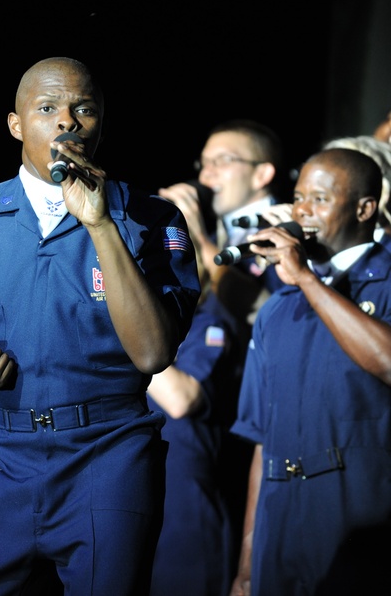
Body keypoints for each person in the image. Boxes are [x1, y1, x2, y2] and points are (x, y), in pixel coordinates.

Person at [0, 56, 201, 594]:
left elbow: (153, 354)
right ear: (16, 124)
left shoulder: (151, 217)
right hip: (4, 453)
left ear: (101, 123)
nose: (67, 121)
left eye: (85, 109)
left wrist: (99, 224)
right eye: (47, 108)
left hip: (108, 451)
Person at [228, 147, 391, 596]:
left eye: (319, 199)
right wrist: (247, 561)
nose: (302, 212)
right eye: (298, 198)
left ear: (364, 209)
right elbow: (262, 439)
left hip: (360, 519)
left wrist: (306, 279)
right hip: (281, 518)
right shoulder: (278, 308)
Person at [147, 182, 246, 596]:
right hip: (133, 488)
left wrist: (121, 329)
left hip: (185, 500)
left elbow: (181, 398)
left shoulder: (208, 317)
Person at [159, 119, 289, 329]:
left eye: (223, 160)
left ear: (261, 174)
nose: (206, 174)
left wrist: (201, 240)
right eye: (204, 163)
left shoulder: (285, 234)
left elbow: (270, 315)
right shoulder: (213, 236)